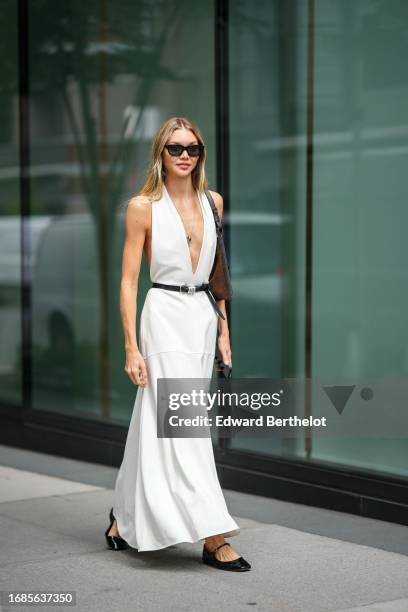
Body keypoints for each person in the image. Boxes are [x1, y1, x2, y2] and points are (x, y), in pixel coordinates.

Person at [104, 116, 251, 572]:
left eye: (193, 148)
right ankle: (212, 534)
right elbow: (129, 281)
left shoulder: (214, 202)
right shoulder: (142, 206)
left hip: (201, 318)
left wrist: (224, 328)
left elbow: (216, 274)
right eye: (175, 148)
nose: (185, 155)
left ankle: (121, 517)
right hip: (164, 315)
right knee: (185, 422)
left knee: (155, 417)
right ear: (160, 154)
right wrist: (130, 346)